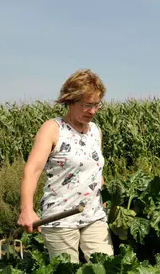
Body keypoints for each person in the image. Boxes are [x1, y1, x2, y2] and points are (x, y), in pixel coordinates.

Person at [17, 69, 114, 263]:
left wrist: (105, 200)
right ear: (70, 100)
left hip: (94, 216)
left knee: (107, 271)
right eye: (87, 105)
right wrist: (26, 209)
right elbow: (32, 170)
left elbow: (95, 169)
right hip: (60, 218)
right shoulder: (53, 129)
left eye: (96, 105)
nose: (93, 111)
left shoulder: (95, 131)